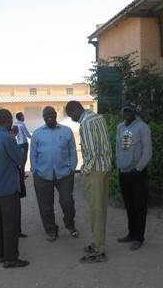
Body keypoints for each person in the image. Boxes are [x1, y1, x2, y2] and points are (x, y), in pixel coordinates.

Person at [65, 101, 112, 264]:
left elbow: (92, 152)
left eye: (71, 116)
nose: (72, 119)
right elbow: (105, 145)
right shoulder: (99, 117)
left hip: (95, 172)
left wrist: (84, 171)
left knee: (96, 211)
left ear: (76, 110)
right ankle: (98, 243)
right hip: (105, 168)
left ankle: (99, 250)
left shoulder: (85, 123)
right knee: (101, 209)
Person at [0, 109, 29, 268]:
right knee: (10, 223)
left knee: (0, 222)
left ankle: (1, 253)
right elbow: (18, 159)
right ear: (8, 121)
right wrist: (22, 148)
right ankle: (11, 258)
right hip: (8, 186)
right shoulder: (7, 138)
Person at [30, 106, 78, 242]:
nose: (49, 117)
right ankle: (51, 230)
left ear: (56, 115)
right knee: (45, 205)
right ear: (43, 117)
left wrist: (72, 168)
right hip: (42, 175)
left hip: (64, 175)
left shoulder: (66, 131)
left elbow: (72, 151)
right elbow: (33, 153)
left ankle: (70, 225)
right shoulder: (37, 133)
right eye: (46, 115)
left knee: (67, 201)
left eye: (51, 114)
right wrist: (35, 170)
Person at [116, 104, 152, 251]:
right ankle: (131, 233)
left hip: (138, 173)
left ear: (134, 112)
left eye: (130, 111)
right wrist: (119, 164)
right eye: (125, 111)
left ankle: (139, 237)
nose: (127, 114)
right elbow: (119, 147)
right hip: (123, 172)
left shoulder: (143, 127)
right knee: (129, 205)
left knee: (139, 206)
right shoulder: (120, 127)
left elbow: (147, 150)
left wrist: (138, 169)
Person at [15, 112, 32, 237]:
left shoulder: (15, 125)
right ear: (21, 117)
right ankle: (22, 174)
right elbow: (27, 134)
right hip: (23, 144)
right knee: (23, 160)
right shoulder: (22, 125)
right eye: (23, 116)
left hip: (17, 144)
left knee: (20, 161)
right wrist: (33, 137)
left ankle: (21, 173)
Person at [10, 125, 27, 238]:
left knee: (15, 208)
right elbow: (18, 160)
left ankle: (17, 230)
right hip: (14, 181)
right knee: (15, 208)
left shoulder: (8, 140)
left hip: (15, 178)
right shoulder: (10, 141)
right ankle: (16, 230)